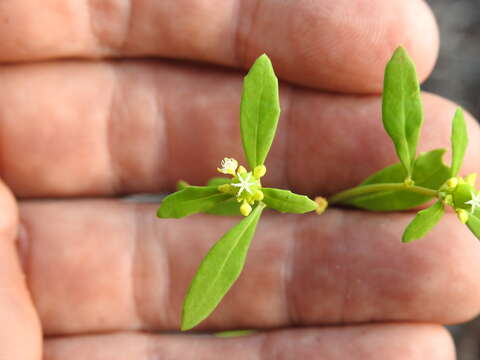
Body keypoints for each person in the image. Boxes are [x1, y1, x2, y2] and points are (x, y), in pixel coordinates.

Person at [0, 1, 478, 358]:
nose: (245, 182)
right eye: (246, 183)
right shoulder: (247, 186)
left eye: (247, 183)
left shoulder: (436, 196)